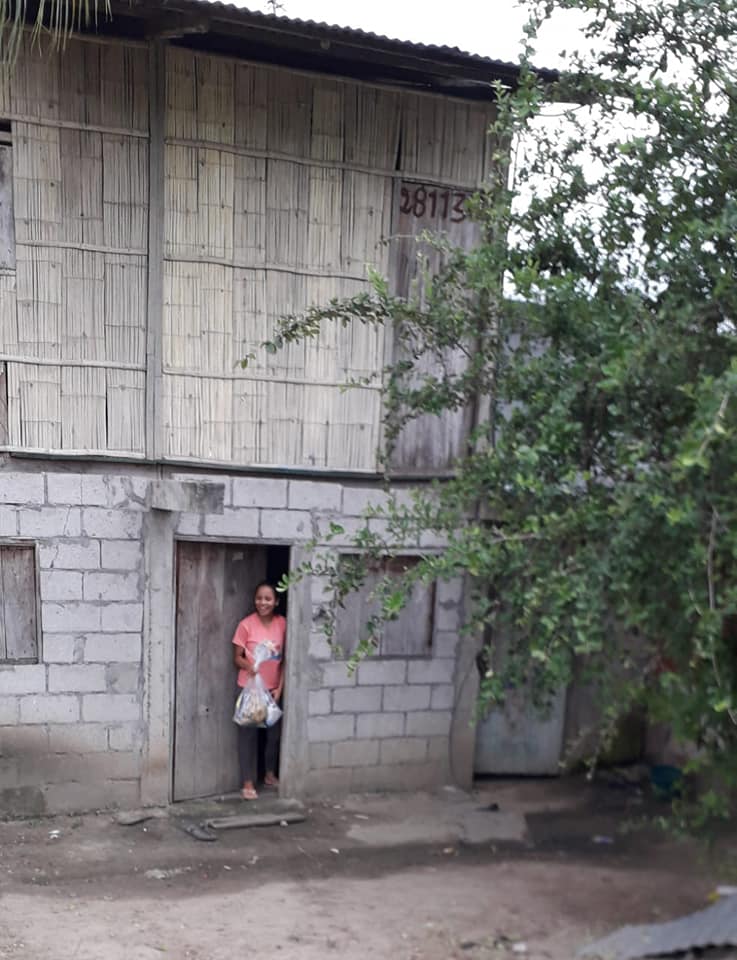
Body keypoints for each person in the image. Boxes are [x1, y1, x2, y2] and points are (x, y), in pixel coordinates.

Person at [231, 581, 286, 800]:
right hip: (250, 689)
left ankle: (269, 774)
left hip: (272, 690)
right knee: (248, 735)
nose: (263, 602)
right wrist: (249, 666)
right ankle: (247, 782)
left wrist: (279, 688)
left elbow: (286, 659)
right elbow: (237, 657)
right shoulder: (246, 625)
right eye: (259, 598)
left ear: (276, 601)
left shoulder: (282, 624)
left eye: (268, 599)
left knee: (273, 735)